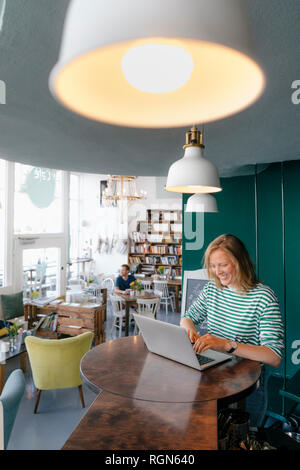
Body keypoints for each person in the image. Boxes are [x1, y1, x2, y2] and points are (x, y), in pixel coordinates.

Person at [180, 234, 284, 427]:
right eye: (213, 265)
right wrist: (189, 332)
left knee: (240, 436)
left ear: (240, 262)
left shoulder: (264, 297)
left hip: (247, 382)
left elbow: (274, 356)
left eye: (223, 265)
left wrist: (228, 345)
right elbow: (187, 318)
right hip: (213, 373)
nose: (217, 272)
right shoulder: (213, 289)